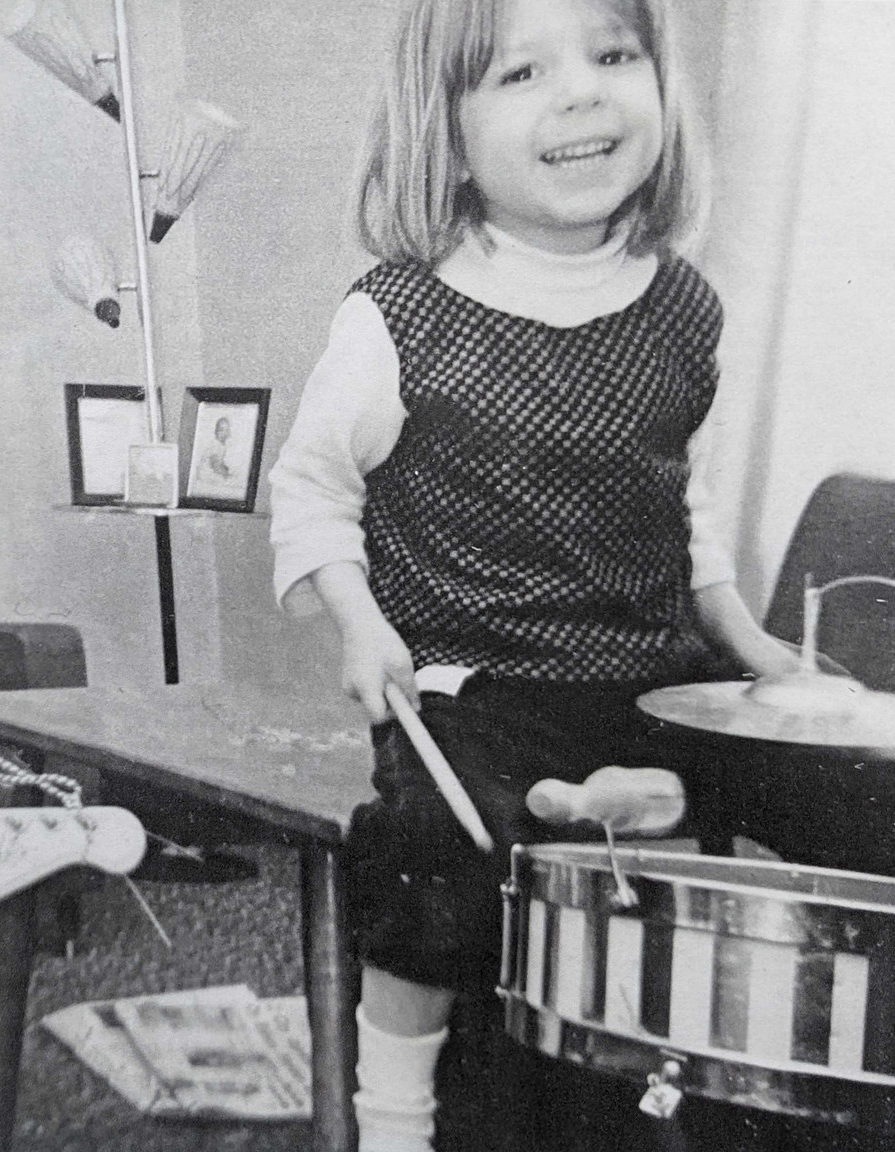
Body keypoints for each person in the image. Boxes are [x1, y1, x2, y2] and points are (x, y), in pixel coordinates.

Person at [268, 1, 800, 1148]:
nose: (582, 92)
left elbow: (685, 503)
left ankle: (712, 1073)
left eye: (615, 56)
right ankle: (397, 1109)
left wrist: (748, 641)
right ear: (446, 134)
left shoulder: (683, 307)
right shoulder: (398, 314)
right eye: (521, 73)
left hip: (656, 673)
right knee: (436, 850)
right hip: (480, 689)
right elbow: (312, 492)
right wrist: (361, 627)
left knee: (823, 798)